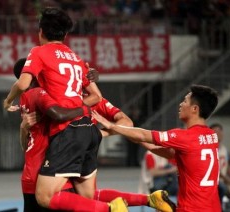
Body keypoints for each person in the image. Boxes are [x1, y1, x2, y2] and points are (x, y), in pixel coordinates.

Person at [3, 6, 126, 211]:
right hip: (88, 130)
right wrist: (76, 106)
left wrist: (8, 101)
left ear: (40, 31)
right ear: (66, 35)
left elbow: (23, 84)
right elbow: (96, 96)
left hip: (67, 133)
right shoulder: (75, 58)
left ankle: (111, 209)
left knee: (43, 196)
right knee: (87, 197)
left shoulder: (38, 52)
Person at [15, 57, 176, 212]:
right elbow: (27, 144)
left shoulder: (79, 101)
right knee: (90, 196)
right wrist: (23, 127)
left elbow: (127, 122)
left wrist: (100, 133)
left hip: (49, 169)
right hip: (43, 167)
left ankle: (113, 208)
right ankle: (147, 200)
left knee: (54, 198)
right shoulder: (41, 99)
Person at [92, 84, 222, 212]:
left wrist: (112, 126)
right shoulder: (211, 136)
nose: (181, 104)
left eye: (185, 101)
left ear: (194, 109)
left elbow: (144, 135)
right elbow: (171, 154)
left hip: (191, 209)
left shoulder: (184, 136)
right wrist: (138, 139)